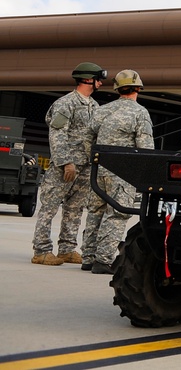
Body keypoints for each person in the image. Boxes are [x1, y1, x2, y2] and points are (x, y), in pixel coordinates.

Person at [31, 62, 106, 266]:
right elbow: (57, 134)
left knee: (75, 208)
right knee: (49, 207)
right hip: (65, 166)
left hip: (85, 165)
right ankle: (41, 250)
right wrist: (66, 162)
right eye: (99, 79)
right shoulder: (66, 103)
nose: (101, 83)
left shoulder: (94, 106)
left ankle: (66, 249)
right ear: (88, 79)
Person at [80, 70, 154, 274]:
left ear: (117, 88)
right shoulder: (140, 113)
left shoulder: (102, 110)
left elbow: (87, 137)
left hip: (99, 170)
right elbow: (146, 148)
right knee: (117, 214)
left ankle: (88, 257)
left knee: (95, 212)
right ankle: (103, 260)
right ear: (138, 88)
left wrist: (92, 159)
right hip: (122, 173)